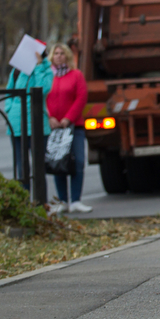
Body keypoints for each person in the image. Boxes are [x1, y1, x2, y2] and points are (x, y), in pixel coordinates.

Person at [46, 43, 91, 213]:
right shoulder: (48, 76)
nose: (58, 56)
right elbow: (42, 97)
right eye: (56, 53)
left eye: (62, 53)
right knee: (58, 163)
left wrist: (68, 118)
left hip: (74, 127)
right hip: (54, 128)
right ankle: (63, 200)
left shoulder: (76, 75)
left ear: (67, 56)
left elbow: (81, 98)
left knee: (77, 161)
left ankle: (76, 200)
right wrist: (50, 116)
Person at [5, 48, 53, 191]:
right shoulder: (17, 71)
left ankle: (40, 203)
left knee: (39, 166)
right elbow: (9, 91)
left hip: (37, 124)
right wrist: (10, 108)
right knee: (22, 167)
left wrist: (38, 67)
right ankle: (25, 202)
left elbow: (42, 89)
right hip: (16, 124)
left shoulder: (46, 71)